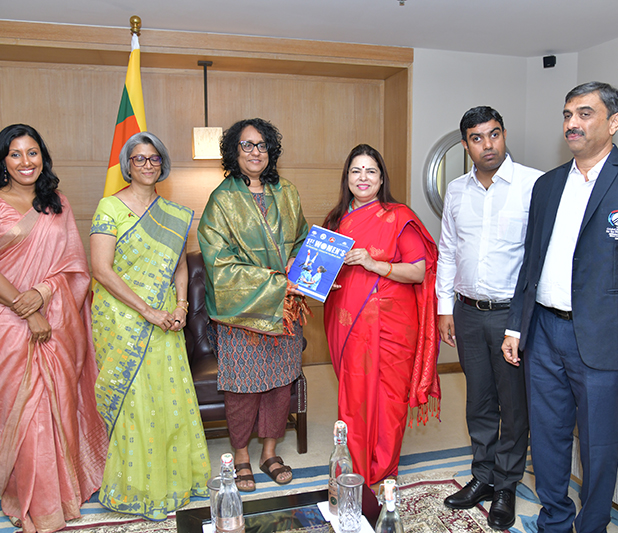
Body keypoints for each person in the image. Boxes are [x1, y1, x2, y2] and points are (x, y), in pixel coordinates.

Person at [502, 82, 618, 533]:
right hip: (544, 334)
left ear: (614, 122)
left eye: (584, 113)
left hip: (604, 340)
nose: (572, 124)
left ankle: (593, 524)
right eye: (567, 115)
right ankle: (554, 520)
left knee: (599, 445)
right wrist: (517, 327)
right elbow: (531, 263)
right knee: (548, 437)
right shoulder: (547, 184)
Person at [0, 124, 107, 532]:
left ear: (42, 157)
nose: (25, 162)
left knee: (56, 403)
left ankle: (59, 490)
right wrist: (27, 311)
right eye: (15, 154)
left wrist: (44, 294)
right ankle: (32, 501)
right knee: (20, 410)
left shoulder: (56, 203)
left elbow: (74, 265)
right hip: (4, 319)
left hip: (56, 316)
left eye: (33, 153)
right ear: (2, 161)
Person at [91, 132, 210, 519]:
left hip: (165, 318)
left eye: (154, 158)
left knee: (168, 397)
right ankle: (137, 487)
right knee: (135, 401)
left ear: (163, 164)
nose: (147, 165)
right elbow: (101, 269)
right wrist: (147, 311)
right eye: (139, 158)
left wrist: (180, 305)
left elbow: (179, 265)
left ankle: (173, 480)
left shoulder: (174, 214)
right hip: (122, 318)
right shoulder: (110, 207)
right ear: (127, 165)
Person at [436, 107, 542, 530]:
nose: (488, 145)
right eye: (477, 138)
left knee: (512, 405)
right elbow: (447, 250)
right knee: (478, 399)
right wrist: (445, 307)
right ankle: (482, 476)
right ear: (466, 145)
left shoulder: (532, 185)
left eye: (494, 134)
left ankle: (506, 485)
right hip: (466, 311)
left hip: (510, 314)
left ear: (504, 134)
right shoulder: (456, 190)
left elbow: (538, 257)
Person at [198, 118, 308, 492]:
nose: (255, 152)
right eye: (247, 145)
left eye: (262, 145)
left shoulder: (287, 192)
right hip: (241, 312)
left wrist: (297, 262)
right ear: (234, 151)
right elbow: (218, 262)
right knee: (242, 389)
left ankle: (269, 453)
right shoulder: (221, 200)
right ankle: (242, 456)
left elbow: (302, 239)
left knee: (279, 385)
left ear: (270, 151)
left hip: (284, 310)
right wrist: (276, 282)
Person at [323, 144, 441, 488]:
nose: (363, 178)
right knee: (354, 395)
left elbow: (417, 271)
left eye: (370, 171)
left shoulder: (399, 217)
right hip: (347, 320)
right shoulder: (334, 220)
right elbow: (322, 269)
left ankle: (383, 468)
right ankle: (355, 467)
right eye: (356, 171)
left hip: (392, 324)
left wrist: (373, 263)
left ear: (381, 178)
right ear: (347, 178)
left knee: (389, 398)